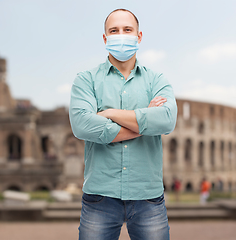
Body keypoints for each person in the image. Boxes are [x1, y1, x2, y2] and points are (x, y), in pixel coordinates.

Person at [69, 8, 177, 240]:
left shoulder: (157, 80)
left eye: (127, 29)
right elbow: (81, 125)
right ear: (105, 38)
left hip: (147, 195)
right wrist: (144, 122)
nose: (121, 35)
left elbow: (167, 120)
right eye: (114, 30)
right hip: (100, 195)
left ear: (139, 36)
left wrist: (108, 113)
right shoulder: (86, 80)